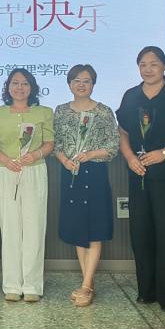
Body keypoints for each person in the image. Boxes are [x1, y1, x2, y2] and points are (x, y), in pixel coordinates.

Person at [116, 46, 165, 313]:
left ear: (164, 65)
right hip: (139, 173)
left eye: (153, 64)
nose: (148, 69)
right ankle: (146, 290)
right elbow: (123, 133)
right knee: (141, 233)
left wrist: (163, 154)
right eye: (143, 64)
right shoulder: (131, 96)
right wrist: (130, 158)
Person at [53, 64, 119, 307]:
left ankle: (86, 284)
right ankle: (87, 282)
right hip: (70, 173)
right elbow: (57, 145)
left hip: (95, 173)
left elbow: (113, 147)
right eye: (77, 80)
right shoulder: (61, 111)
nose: (81, 84)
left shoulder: (103, 112)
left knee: (95, 228)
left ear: (93, 84)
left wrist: (90, 154)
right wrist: (64, 161)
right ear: (69, 83)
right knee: (78, 229)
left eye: (86, 81)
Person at [0, 68, 54, 302]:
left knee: (34, 227)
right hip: (6, 171)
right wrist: (6, 161)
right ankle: (12, 285)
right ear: (8, 87)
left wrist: (35, 155)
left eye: (25, 83)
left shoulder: (44, 112)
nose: (19, 87)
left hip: (34, 171)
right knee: (10, 228)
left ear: (32, 87)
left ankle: (32, 285)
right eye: (15, 83)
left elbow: (49, 143)